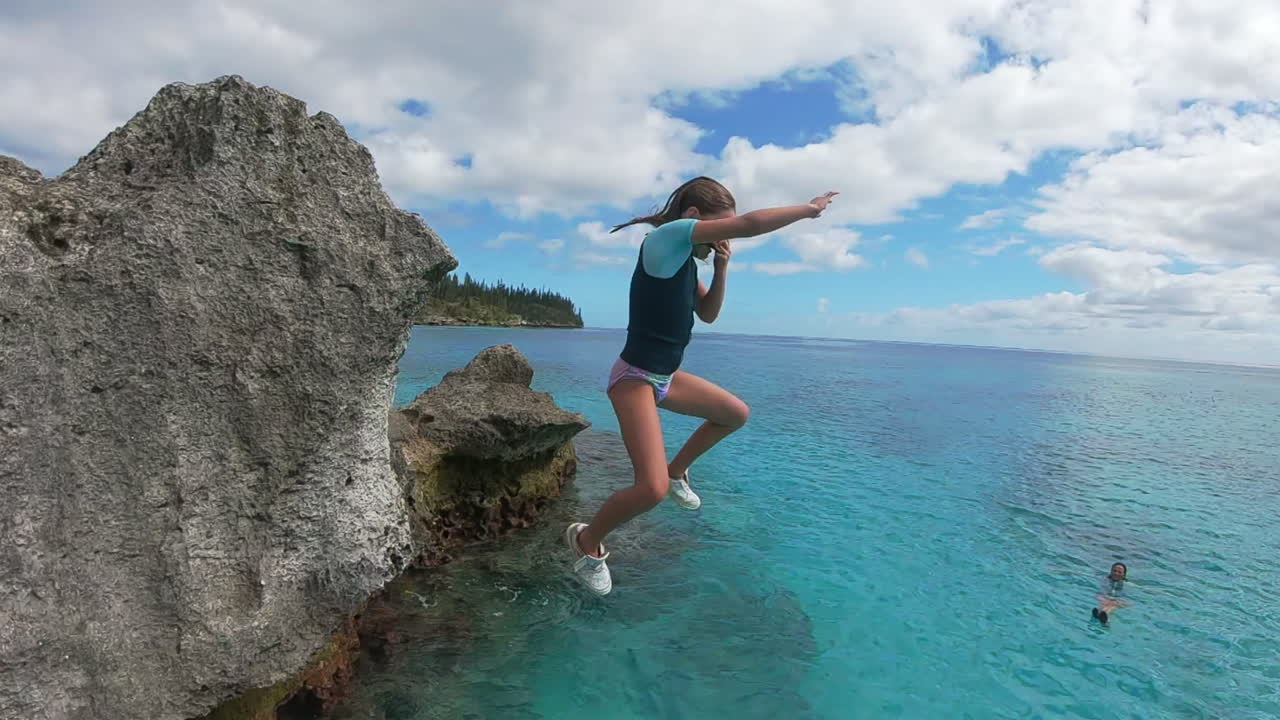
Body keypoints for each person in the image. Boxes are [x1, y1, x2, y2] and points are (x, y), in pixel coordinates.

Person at [563, 176, 839, 595]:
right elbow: (749, 224)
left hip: (665, 379)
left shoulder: (686, 265)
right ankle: (586, 541)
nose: (719, 241)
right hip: (634, 379)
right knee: (649, 490)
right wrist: (809, 209)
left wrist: (723, 267)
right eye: (718, 230)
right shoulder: (665, 241)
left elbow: (708, 314)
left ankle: (678, 471)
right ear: (693, 217)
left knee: (734, 414)